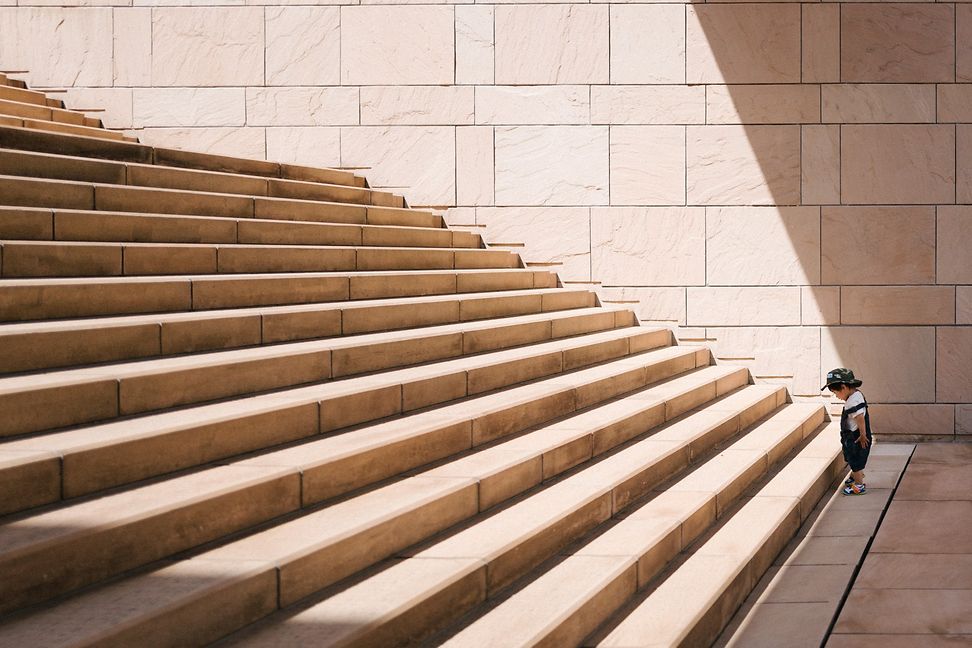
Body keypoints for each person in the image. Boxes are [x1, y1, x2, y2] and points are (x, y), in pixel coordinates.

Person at [821, 368, 872, 495]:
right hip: (854, 434)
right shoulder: (857, 394)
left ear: (843, 387)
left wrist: (862, 435)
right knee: (852, 458)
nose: (836, 396)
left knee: (855, 460)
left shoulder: (852, 402)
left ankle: (859, 485)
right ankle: (856, 476)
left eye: (835, 392)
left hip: (856, 436)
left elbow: (860, 418)